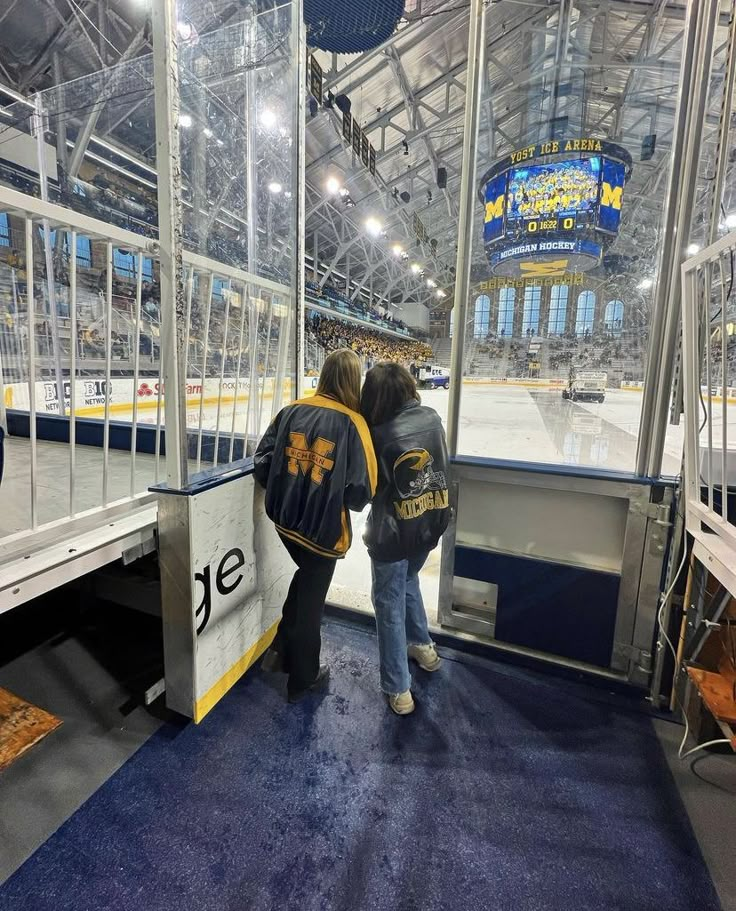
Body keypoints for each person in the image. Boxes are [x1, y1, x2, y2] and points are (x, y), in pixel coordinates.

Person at [254, 349, 377, 703]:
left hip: (283, 522)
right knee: (312, 605)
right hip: (323, 533)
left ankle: (279, 647)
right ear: (354, 380)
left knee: (305, 579)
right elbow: (360, 493)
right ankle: (302, 679)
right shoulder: (354, 423)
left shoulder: (290, 409)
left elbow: (262, 462)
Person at [361, 363, 452, 715]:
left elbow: (368, 488)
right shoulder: (431, 416)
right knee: (409, 581)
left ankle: (399, 688)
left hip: (394, 533)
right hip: (431, 524)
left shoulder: (378, 434)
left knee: (387, 603)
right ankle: (424, 648)